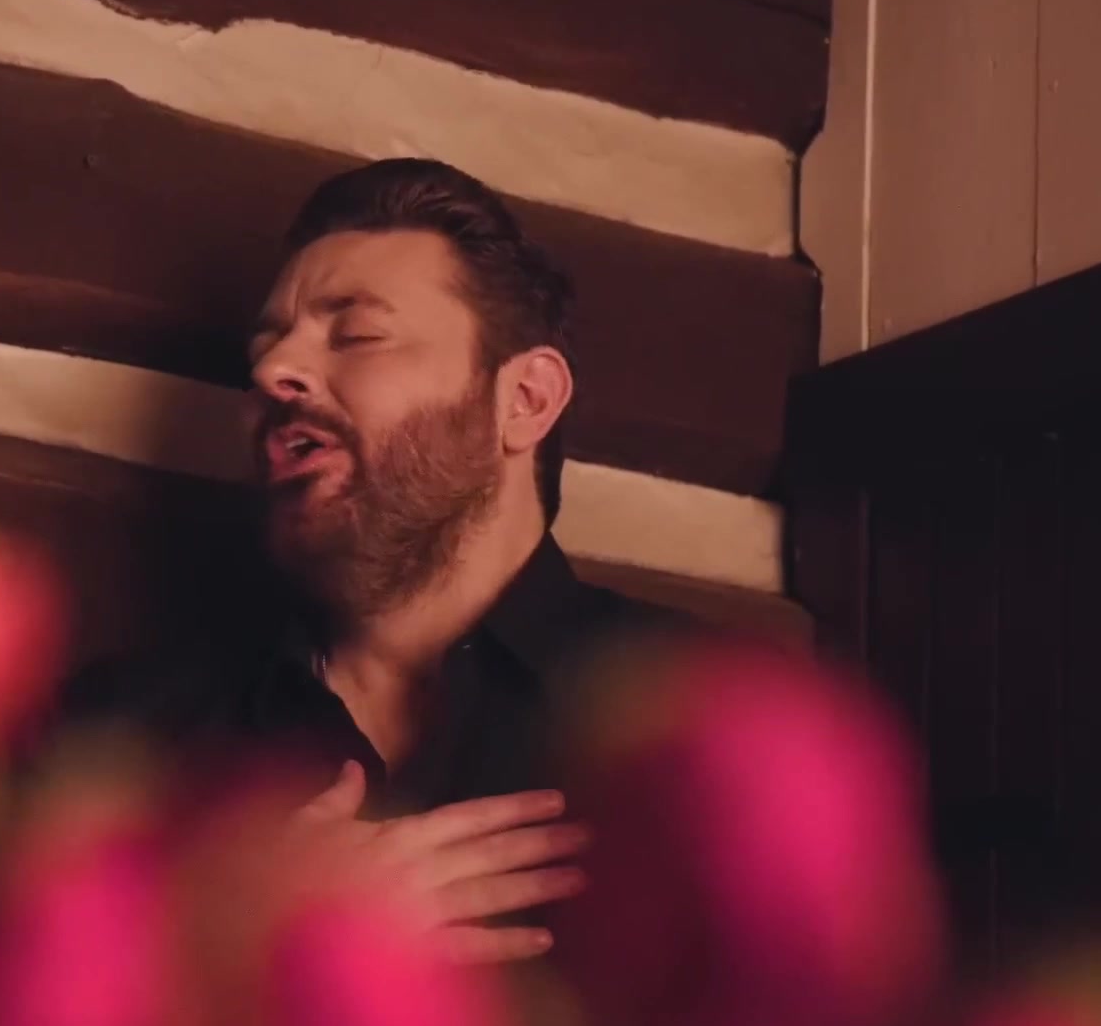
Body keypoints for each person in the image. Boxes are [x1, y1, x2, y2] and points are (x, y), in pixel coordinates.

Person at [41, 158, 684, 963]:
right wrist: (230, 958)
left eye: (358, 335)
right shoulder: (125, 738)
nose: (271, 373)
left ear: (524, 401)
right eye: (264, 349)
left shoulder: (695, 717)